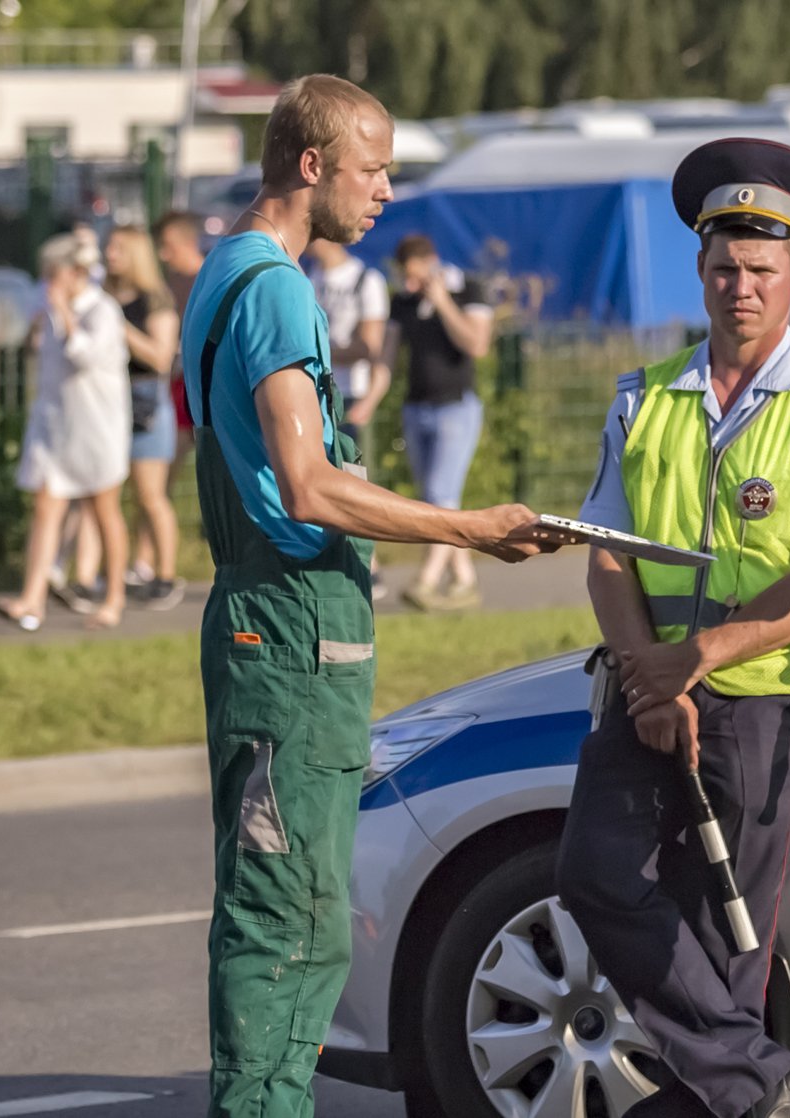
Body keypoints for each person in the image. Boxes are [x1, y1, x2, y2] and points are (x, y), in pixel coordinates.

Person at [179, 73, 569, 1118]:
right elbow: (307, 485)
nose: (387, 191)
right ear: (312, 167)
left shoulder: (227, 266)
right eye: (374, 167)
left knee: (287, 905)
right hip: (289, 627)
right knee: (289, 914)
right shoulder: (272, 288)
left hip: (276, 622)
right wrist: (468, 529)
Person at [555, 138, 790, 1118]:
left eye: (761, 271)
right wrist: (648, 678)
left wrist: (692, 664)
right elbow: (606, 552)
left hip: (761, 703)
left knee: (721, 932)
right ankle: (757, 1081)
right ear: (700, 271)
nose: (741, 288)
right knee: (591, 873)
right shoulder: (643, 396)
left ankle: (730, 1090)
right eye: (724, 268)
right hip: (644, 688)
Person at [0, 233, 132, 631]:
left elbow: (86, 354)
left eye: (53, 275)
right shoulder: (53, 309)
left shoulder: (102, 310)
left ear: (76, 273)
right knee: (46, 505)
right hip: (57, 425)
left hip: (97, 428)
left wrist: (63, 313)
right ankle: (32, 598)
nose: (48, 283)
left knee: (103, 509)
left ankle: (114, 599)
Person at [385, 234, 496, 610]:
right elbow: (387, 352)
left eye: (418, 276)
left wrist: (442, 303)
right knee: (436, 498)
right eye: (407, 278)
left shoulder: (469, 290)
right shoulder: (403, 301)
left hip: (457, 407)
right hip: (417, 408)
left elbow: (476, 345)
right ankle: (465, 580)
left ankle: (426, 581)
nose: (412, 285)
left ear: (432, 263)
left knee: (440, 492)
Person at [105, 223, 187, 610]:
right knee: (108, 494)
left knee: (151, 495)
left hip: (146, 402)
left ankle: (166, 574)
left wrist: (119, 328)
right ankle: (110, 572)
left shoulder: (155, 300)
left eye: (118, 248)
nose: (109, 255)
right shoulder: (104, 294)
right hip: (108, 400)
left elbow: (160, 357)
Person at [305, 235, 391, 598]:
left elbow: (368, 347)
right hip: (314, 392)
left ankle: (369, 563)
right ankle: (337, 557)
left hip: (349, 393)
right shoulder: (310, 278)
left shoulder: (365, 279)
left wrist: (319, 351)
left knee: (354, 479)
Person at [155, 209, 208, 490]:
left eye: (168, 246)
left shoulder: (212, 279)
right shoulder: (167, 285)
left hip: (207, 388)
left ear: (187, 242)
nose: (163, 255)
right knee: (160, 483)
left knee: (221, 475)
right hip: (176, 388)